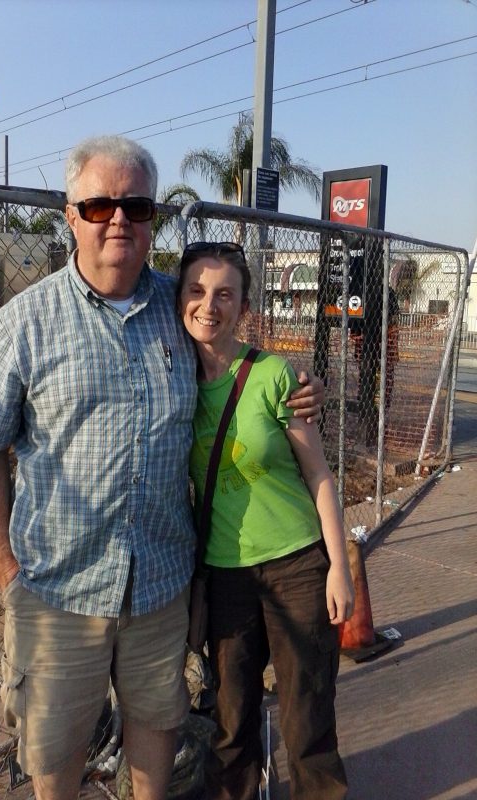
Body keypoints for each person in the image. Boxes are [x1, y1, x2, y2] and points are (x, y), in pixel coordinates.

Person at [0, 135, 324, 800]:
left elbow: (232, 345)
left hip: (158, 587)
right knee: (58, 753)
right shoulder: (23, 323)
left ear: (152, 219)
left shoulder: (176, 312)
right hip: (57, 592)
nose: (118, 218)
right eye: (98, 205)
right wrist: (7, 570)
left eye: (135, 205)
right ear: (71, 215)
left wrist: (296, 382)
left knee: (157, 732)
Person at [176, 241, 355, 800]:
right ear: (179, 298)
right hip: (226, 575)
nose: (210, 305)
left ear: (244, 306)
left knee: (307, 714)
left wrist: (340, 568)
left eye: (225, 294)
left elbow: (320, 475)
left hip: (298, 564)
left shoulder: (275, 375)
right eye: (197, 291)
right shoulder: (172, 384)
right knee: (231, 720)